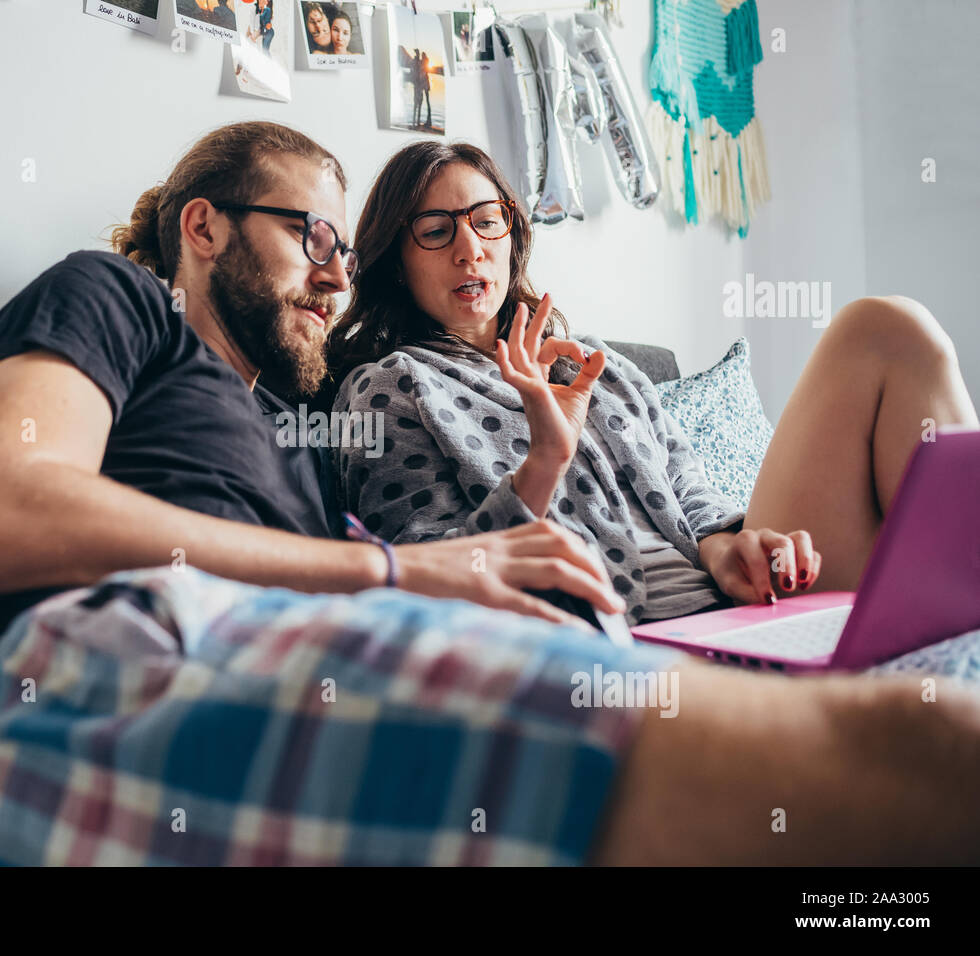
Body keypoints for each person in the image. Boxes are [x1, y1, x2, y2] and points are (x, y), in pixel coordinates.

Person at [0, 121, 980, 865]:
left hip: (279, 657)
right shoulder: (113, 298)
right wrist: (391, 566)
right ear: (203, 226)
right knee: (916, 762)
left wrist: (712, 555)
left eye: (340, 246)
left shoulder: (298, 431)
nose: (334, 272)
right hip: (115, 661)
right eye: (307, 236)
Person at [328, 138, 978, 622]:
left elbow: (693, 494)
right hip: (626, 640)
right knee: (880, 328)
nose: (469, 249)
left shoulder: (593, 364)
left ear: (511, 232)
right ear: (396, 263)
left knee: (891, 329)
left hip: (738, 606)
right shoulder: (390, 390)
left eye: (485, 220)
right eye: (436, 232)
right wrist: (544, 462)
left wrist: (731, 548)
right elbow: (427, 581)